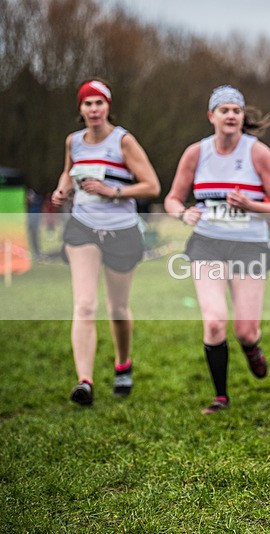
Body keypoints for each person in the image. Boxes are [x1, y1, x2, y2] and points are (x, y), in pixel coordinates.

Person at [164, 85, 270, 414]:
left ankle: (251, 348)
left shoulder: (257, 152)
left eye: (236, 110)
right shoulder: (196, 153)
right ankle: (221, 396)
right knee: (215, 321)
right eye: (224, 110)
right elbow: (172, 198)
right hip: (207, 242)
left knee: (245, 330)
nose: (231, 115)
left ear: (241, 117)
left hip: (249, 245)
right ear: (212, 116)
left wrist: (250, 204)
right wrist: (182, 212)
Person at [50, 78, 161, 406]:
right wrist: (63, 190)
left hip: (122, 232)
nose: (94, 109)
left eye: (99, 102)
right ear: (80, 108)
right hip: (83, 228)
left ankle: (123, 363)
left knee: (117, 308)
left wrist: (114, 191)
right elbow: (67, 173)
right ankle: (84, 381)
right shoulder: (74, 142)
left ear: (108, 106)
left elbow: (152, 185)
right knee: (84, 305)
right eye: (88, 103)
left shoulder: (123, 141)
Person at [26, 187, 43, 261]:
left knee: (35, 239)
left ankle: (37, 254)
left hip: (35, 223)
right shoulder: (28, 204)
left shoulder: (37, 201)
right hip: (28, 221)